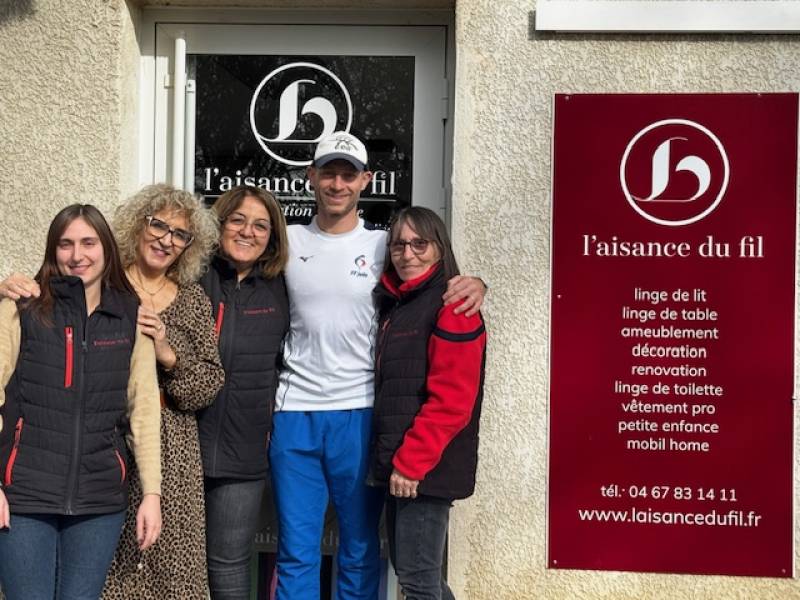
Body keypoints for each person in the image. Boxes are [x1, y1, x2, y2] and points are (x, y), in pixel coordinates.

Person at [269, 131, 485, 600]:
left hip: (360, 412)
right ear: (311, 177)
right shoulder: (286, 243)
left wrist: (475, 283)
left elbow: (432, 273)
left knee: (361, 548)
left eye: (349, 174)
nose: (338, 183)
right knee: (296, 550)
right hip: (294, 412)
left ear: (366, 180)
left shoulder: (385, 246)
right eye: (329, 172)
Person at [0, 204, 162, 600]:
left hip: (98, 499)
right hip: (23, 496)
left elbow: (143, 409)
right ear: (52, 251)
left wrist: (152, 495)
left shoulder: (129, 316)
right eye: (66, 244)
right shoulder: (22, 309)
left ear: (106, 248)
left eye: (88, 242)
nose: (77, 255)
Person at [102, 184, 225, 599]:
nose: (166, 240)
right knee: (110, 560)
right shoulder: (104, 286)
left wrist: (167, 353)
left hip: (173, 447)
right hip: (107, 437)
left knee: (170, 562)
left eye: (179, 234)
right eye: (158, 225)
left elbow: (209, 383)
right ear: (138, 225)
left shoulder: (192, 300)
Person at [368, 206, 486, 600]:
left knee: (417, 583)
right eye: (399, 244)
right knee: (419, 577)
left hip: (425, 468)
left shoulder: (453, 307)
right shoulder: (400, 304)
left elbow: (453, 400)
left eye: (420, 243)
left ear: (439, 248)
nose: (408, 253)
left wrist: (411, 464)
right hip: (405, 464)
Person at [197, 185, 290, 600]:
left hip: (245, 449)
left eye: (260, 225)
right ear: (219, 224)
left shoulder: (284, 289)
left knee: (229, 566)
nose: (247, 232)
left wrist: (470, 282)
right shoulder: (189, 276)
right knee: (172, 561)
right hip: (183, 445)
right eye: (237, 220)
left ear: (272, 236)